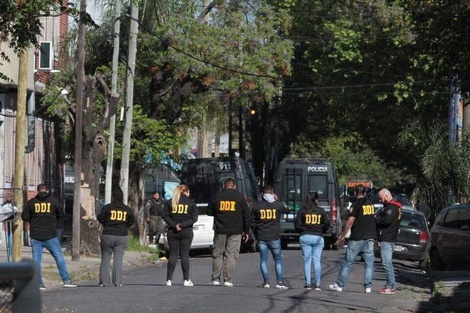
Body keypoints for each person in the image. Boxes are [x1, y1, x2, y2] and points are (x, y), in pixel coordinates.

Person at [22, 183, 77, 290]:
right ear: (47, 190)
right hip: (50, 235)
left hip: (35, 235)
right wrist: (54, 222)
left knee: (36, 260)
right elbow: (60, 215)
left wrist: (33, 220)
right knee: (59, 257)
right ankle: (66, 280)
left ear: (37, 191)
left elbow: (25, 217)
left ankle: (39, 284)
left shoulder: (31, 203)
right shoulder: (53, 201)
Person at [328, 184, 377, 293]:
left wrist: (342, 236)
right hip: (370, 237)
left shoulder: (355, 205)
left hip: (357, 237)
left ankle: (340, 284)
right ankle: (368, 287)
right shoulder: (371, 205)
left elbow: (350, 222)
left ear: (355, 193)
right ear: (364, 193)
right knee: (369, 263)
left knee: (348, 262)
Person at [207, 177, 251, 287]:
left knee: (217, 254)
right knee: (231, 255)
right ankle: (227, 280)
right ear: (234, 186)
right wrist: (246, 231)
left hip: (220, 229)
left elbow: (209, 211)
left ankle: (215, 279)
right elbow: (247, 216)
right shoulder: (240, 198)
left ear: (224, 185)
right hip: (236, 230)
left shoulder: (217, 196)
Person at [251, 185, 290, 289]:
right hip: (275, 236)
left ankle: (266, 282)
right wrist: (278, 200)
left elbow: (252, 221)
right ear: (273, 194)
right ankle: (280, 282)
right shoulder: (278, 204)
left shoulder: (256, 206)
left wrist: (256, 233)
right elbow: (288, 209)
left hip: (262, 236)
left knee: (263, 259)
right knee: (277, 259)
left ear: (263, 194)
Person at [161, 184, 198, 287]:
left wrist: (174, 225)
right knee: (184, 255)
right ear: (185, 192)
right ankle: (186, 280)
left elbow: (165, 216)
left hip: (172, 231)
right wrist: (182, 225)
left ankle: (168, 280)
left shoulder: (170, 202)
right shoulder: (190, 203)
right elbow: (194, 218)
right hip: (186, 231)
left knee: (173, 255)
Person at [97, 185, 135, 287]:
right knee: (118, 259)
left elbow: (100, 218)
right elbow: (131, 221)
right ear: (122, 197)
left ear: (113, 197)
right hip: (122, 236)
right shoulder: (127, 209)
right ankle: (117, 281)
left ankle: (104, 282)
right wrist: (124, 226)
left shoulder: (107, 207)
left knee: (105, 258)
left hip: (108, 234)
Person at [296, 192, 330, 291]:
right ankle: (318, 284)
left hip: (305, 236)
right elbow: (327, 223)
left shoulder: (302, 210)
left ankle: (307, 284)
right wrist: (322, 230)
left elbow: (297, 225)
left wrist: (303, 230)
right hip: (318, 236)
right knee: (316, 260)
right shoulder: (321, 211)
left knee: (307, 260)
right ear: (316, 200)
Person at [376, 188, 402, 295]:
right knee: (387, 262)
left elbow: (386, 221)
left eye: (381, 198)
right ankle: (390, 285)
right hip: (387, 238)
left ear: (386, 196)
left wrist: (375, 218)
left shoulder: (392, 208)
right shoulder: (393, 207)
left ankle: (390, 286)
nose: (380, 201)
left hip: (387, 239)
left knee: (387, 263)